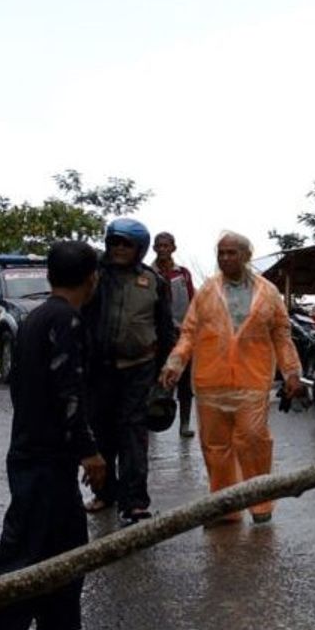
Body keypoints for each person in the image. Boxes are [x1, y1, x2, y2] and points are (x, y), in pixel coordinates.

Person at [0, 241, 107, 630]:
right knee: (22, 553)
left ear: (49, 276)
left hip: (34, 450)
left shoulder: (35, 318)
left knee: (65, 550)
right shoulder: (65, 321)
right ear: (92, 278)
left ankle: (59, 623)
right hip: (44, 458)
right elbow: (69, 393)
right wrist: (89, 451)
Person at [159, 232, 303, 525]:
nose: (225, 258)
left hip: (252, 381)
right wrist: (175, 362)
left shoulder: (268, 292)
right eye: (221, 253)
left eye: (231, 253)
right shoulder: (208, 292)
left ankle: (260, 502)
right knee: (215, 449)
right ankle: (225, 507)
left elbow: (282, 335)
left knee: (254, 440)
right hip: (210, 383)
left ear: (245, 255)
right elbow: (189, 333)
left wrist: (291, 371)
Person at [81, 218, 175, 526]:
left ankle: (135, 503)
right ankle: (105, 493)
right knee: (102, 433)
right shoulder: (94, 276)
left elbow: (164, 330)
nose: (119, 249)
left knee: (133, 437)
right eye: (115, 243)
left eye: (127, 244)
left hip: (139, 371)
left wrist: (164, 373)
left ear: (139, 249)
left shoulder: (154, 282)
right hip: (101, 370)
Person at [153, 231, 197, 438]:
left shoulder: (183, 274)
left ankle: (185, 423)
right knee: (155, 380)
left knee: (185, 382)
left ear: (173, 248)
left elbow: (193, 302)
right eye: (159, 246)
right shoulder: (148, 274)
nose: (162, 249)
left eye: (166, 246)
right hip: (156, 337)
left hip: (182, 335)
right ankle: (151, 423)